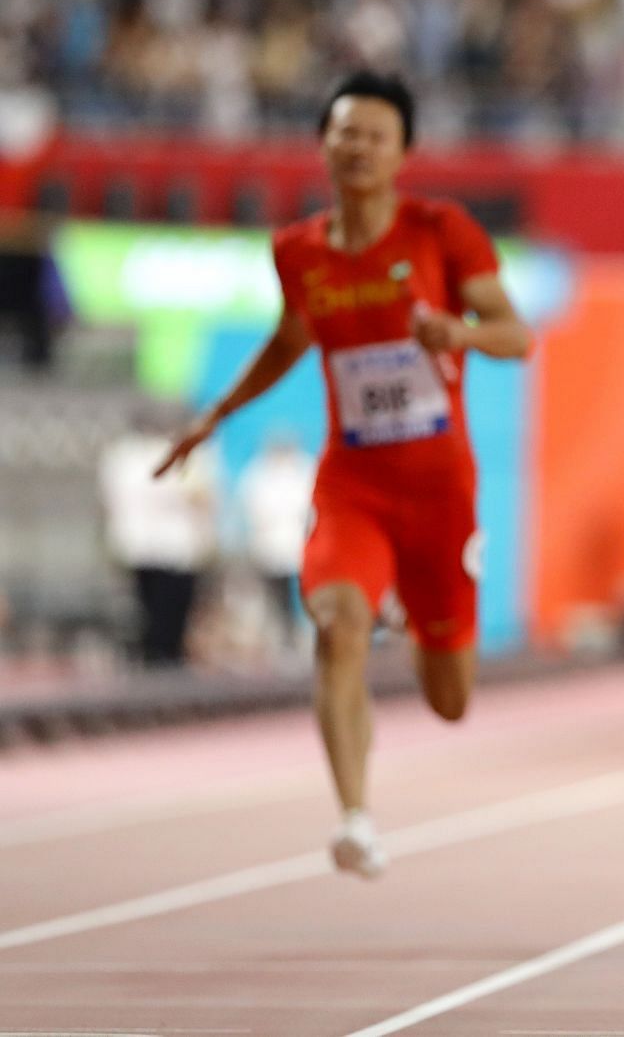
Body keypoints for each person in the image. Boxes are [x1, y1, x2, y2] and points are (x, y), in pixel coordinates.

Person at [154, 71, 532, 879]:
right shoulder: (297, 251)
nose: (357, 146)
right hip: (353, 487)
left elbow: (516, 334)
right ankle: (355, 818)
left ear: (403, 153)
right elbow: (291, 339)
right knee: (335, 625)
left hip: (439, 495)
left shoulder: (441, 232)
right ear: (324, 143)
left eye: (375, 135)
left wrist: (455, 332)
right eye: (344, 132)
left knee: (450, 700)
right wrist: (215, 415)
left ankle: (410, 607)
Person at [100, 401, 220, 666]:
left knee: (165, 609)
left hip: (168, 546)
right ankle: (160, 657)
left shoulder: (128, 457)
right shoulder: (129, 457)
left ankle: (162, 655)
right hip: (159, 546)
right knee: (158, 610)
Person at [237, 429, 320, 654]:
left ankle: (306, 641)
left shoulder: (306, 467)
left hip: (302, 549)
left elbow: (312, 509)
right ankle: (283, 643)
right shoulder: (257, 472)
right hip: (270, 550)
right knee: (277, 601)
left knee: (306, 599)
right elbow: (253, 511)